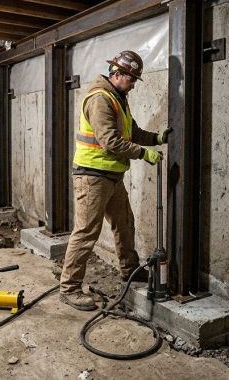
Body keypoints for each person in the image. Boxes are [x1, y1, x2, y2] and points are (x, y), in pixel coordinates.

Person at [59, 50, 171, 311]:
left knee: (124, 223)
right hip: (92, 177)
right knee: (86, 232)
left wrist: (157, 138)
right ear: (117, 74)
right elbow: (110, 142)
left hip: (110, 176)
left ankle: (129, 270)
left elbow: (132, 132)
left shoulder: (118, 98)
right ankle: (69, 288)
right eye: (130, 79)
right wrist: (144, 153)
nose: (133, 85)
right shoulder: (100, 99)